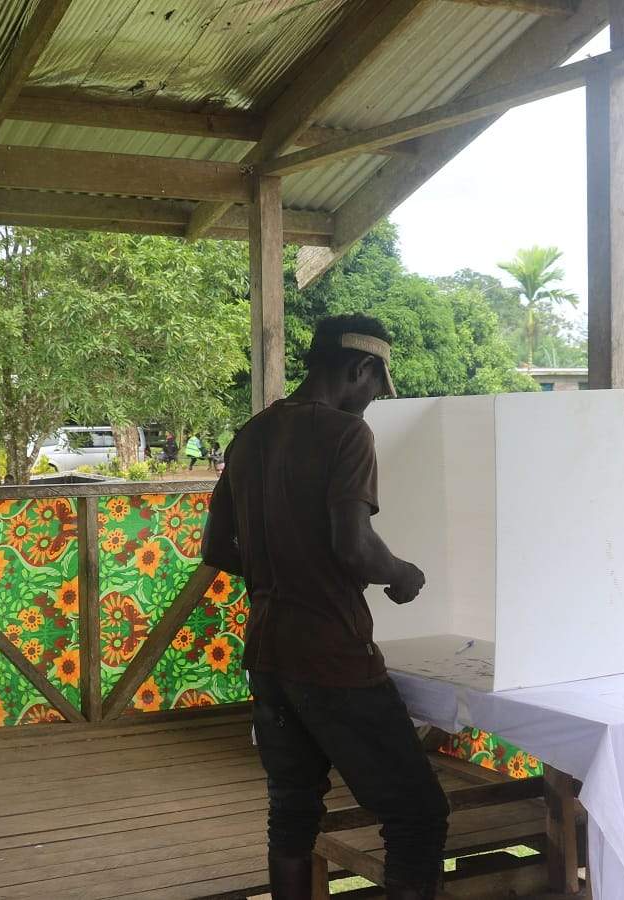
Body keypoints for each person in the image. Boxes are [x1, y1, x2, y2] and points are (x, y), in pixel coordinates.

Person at [201, 314, 448, 900]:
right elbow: (355, 545)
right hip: (334, 659)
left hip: (268, 656)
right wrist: (400, 575)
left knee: (292, 812)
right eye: (374, 388)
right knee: (417, 816)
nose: (371, 403)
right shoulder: (346, 435)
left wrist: (276, 567)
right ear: (360, 369)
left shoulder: (251, 434)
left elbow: (215, 547)